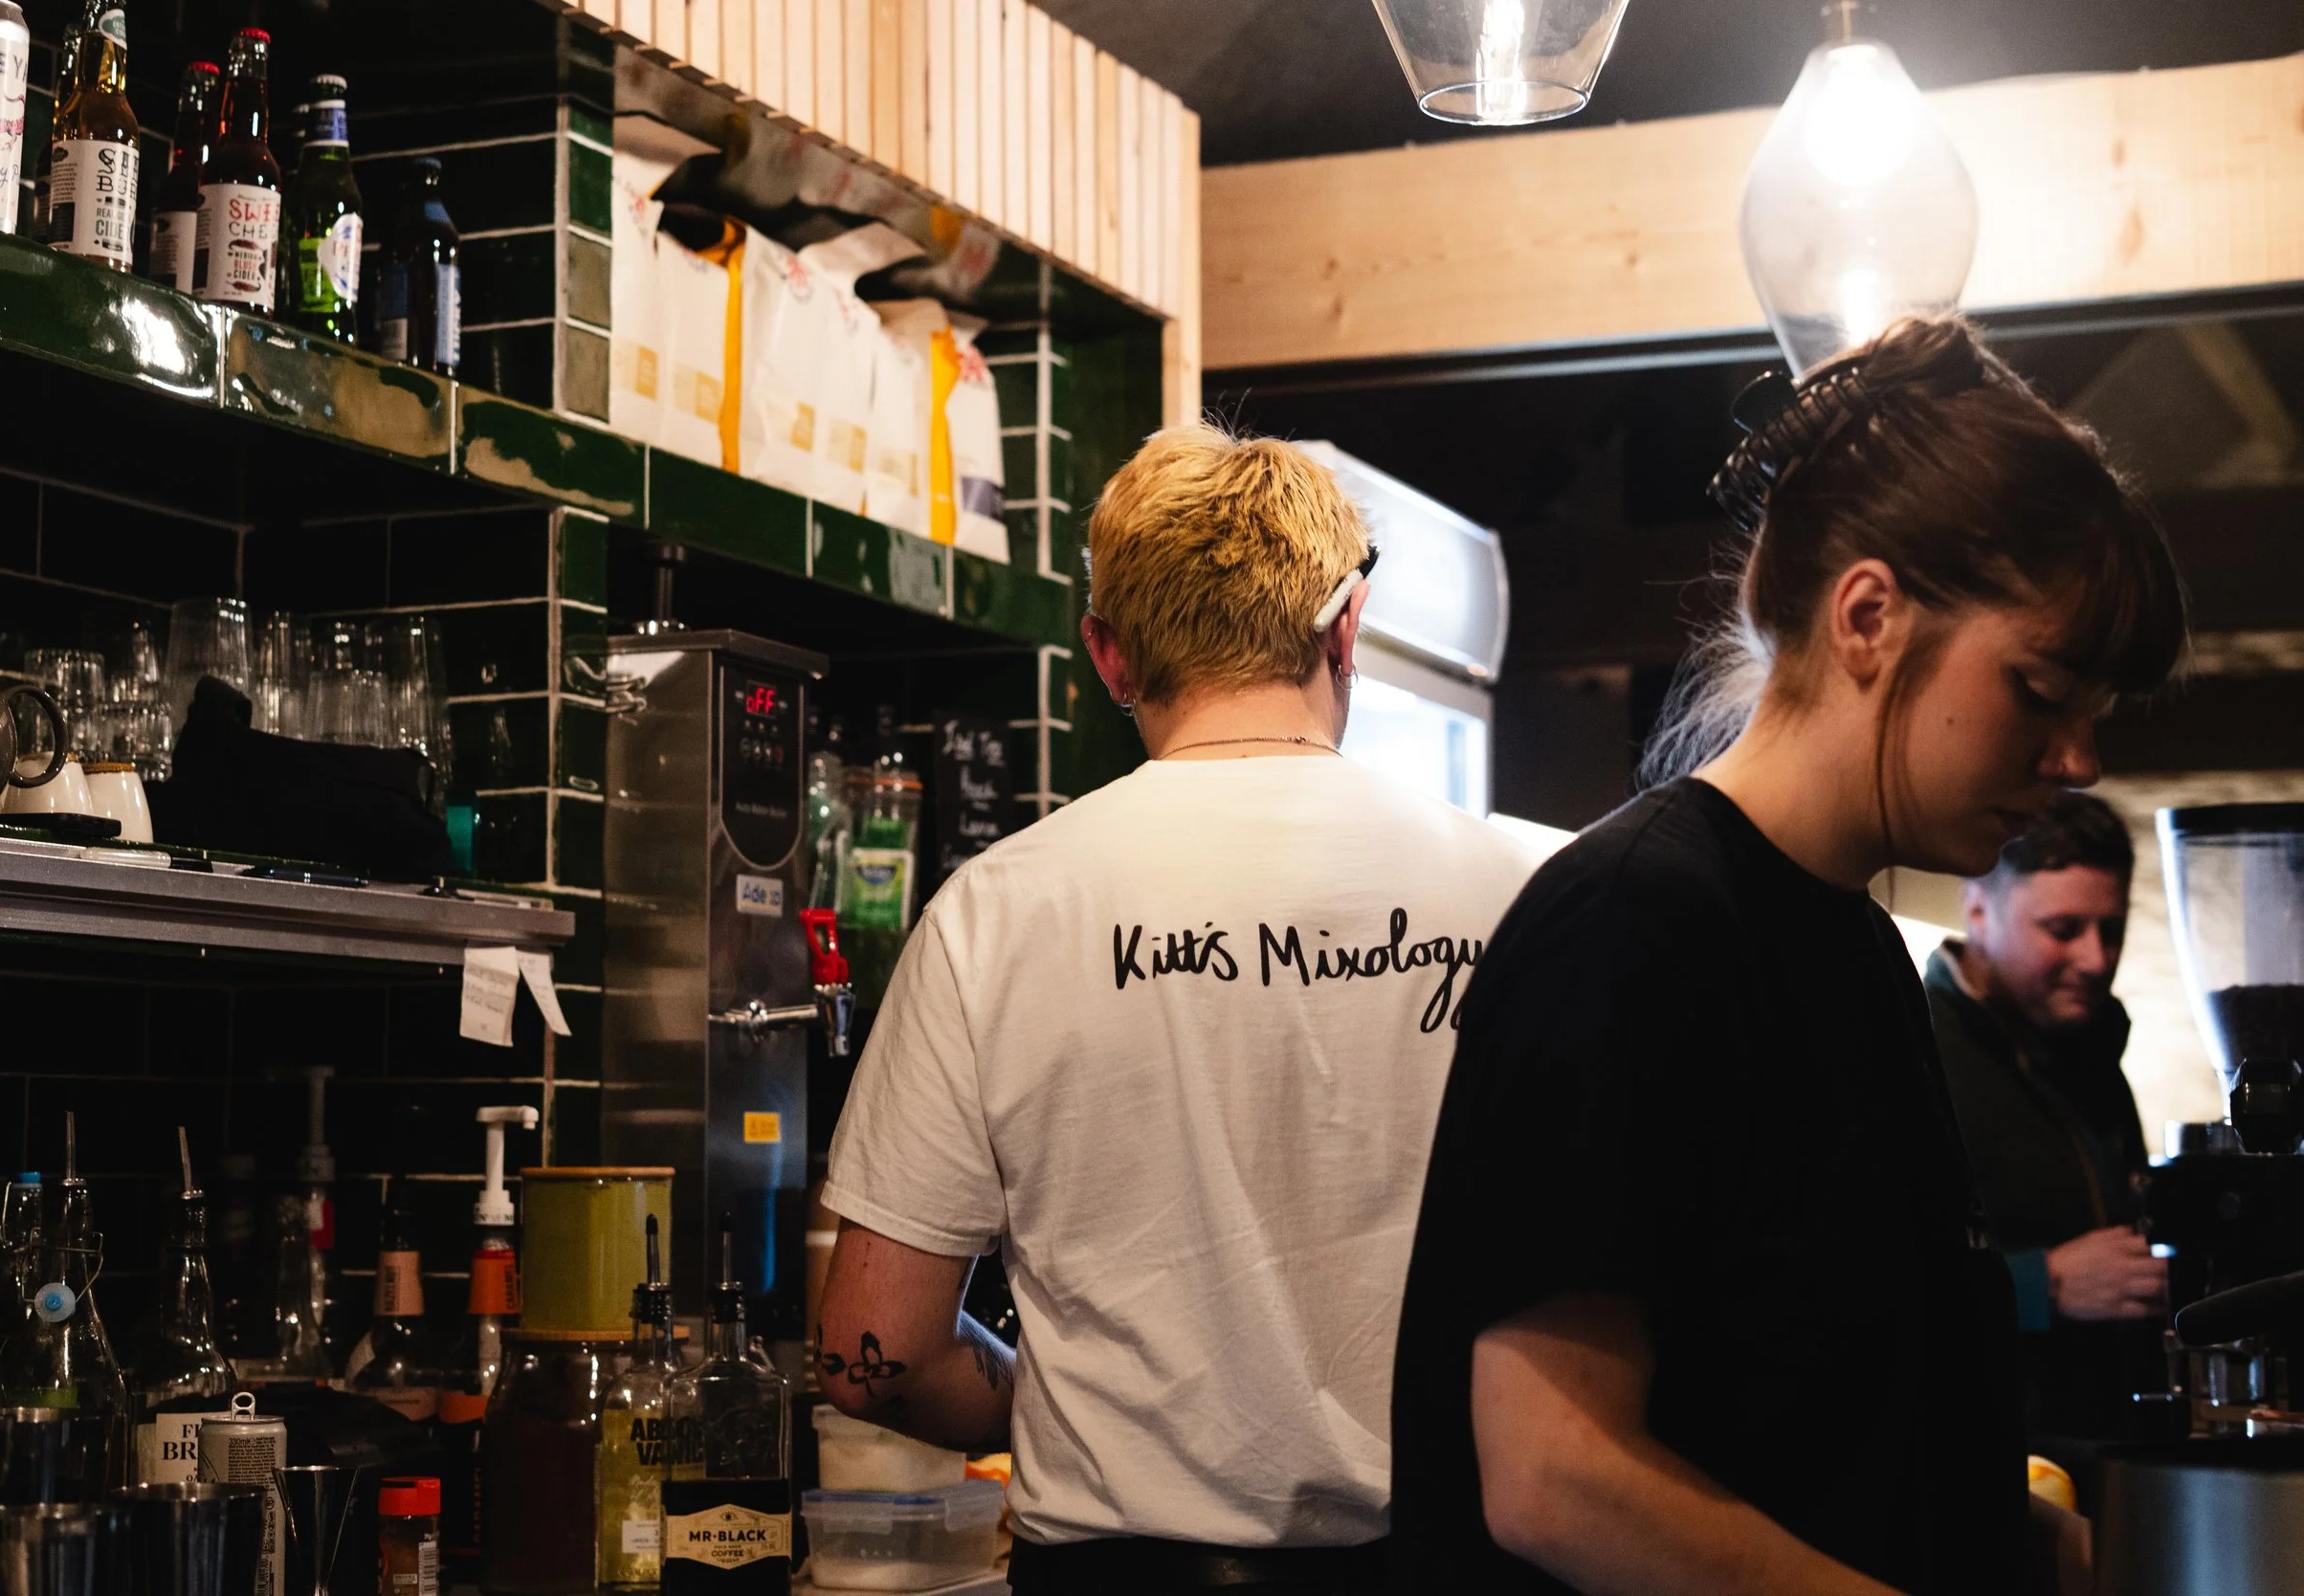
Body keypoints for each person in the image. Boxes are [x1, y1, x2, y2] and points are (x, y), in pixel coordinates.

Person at [1389, 317, 2187, 1596]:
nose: (2081, 759)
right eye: (2043, 690)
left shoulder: (1858, 947)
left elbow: (1842, 1432)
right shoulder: (1633, 924)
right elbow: (1555, 1475)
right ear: (1869, 614)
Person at [815, 424, 1548, 1596]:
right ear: (1346, 627)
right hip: (1463, 1565)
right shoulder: (1527, 892)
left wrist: (1038, 1393)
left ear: (1108, 656)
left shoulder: (996, 914)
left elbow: (874, 1357)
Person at [1925, 790, 2165, 1469]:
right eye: (2063, 930)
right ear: (1977, 910)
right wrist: (2045, 1283)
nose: (2095, 959)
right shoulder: (1913, 1055)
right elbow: (1865, 1283)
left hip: (2099, 1450)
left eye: (2110, 929)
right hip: (1983, 1466)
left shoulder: (2090, 1055)